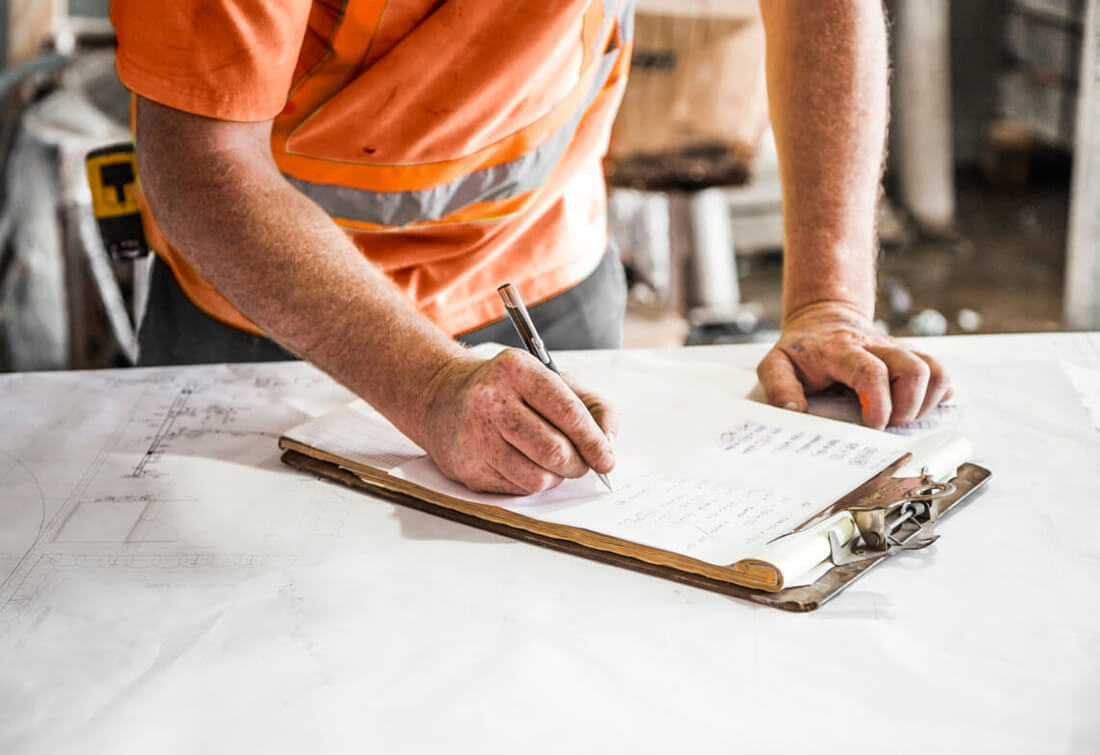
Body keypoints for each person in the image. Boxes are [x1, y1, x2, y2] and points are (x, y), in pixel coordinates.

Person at [111, 0, 950, 495]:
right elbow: (198, 158)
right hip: (276, 311)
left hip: (545, 262)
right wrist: (429, 383)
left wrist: (829, 301)